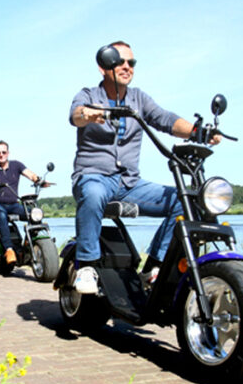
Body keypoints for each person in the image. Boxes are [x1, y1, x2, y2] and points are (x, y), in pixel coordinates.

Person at [68, 41, 219, 294]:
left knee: (185, 200)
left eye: (131, 63)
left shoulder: (139, 99)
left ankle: (154, 265)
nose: (127, 67)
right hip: (93, 178)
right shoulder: (88, 95)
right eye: (120, 62)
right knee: (93, 195)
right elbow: (76, 115)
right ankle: (87, 265)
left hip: (130, 184)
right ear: (104, 66)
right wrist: (91, 114)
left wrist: (197, 132)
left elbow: (166, 119)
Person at [0, 141, 46, 265]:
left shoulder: (16, 165)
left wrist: (38, 180)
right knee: (1, 215)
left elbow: (31, 174)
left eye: (3, 152)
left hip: (14, 205)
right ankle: (9, 250)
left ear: (8, 153)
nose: (1, 155)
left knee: (32, 213)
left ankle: (30, 244)